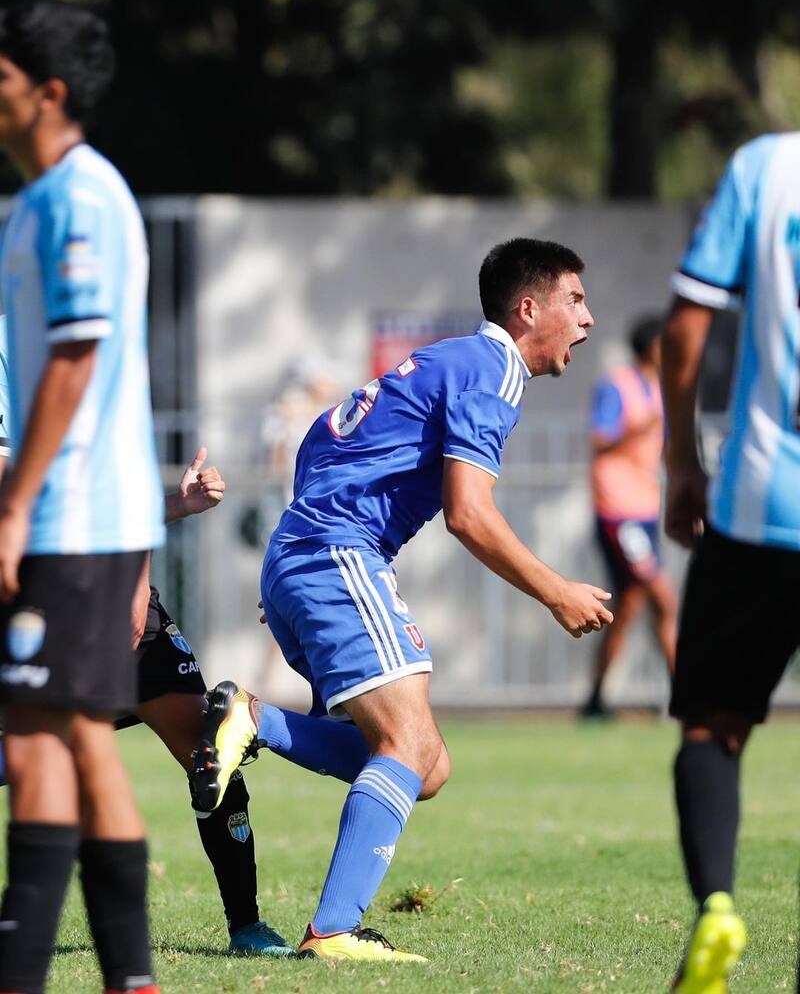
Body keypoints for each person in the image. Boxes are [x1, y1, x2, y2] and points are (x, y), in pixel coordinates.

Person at [190, 237, 614, 962]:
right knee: (408, 747)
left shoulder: (443, 360)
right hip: (335, 557)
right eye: (575, 300)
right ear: (528, 308)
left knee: (428, 766)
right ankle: (332, 932)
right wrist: (557, 592)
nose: (588, 319)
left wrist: (295, 563)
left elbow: (322, 440)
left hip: (306, 558)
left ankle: (250, 720)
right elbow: (469, 514)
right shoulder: (493, 369)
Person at [0, 2, 159, 992]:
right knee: (61, 735)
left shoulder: (79, 197)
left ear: (45, 92)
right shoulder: (37, 200)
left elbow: (74, 354)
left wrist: (14, 505)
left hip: (76, 514)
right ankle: (114, 979)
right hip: (73, 514)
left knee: (41, 734)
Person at [0, 438, 290, 957]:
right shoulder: (24, 378)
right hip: (47, 606)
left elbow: (118, 502)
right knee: (37, 755)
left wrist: (168, 519)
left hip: (128, 611)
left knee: (211, 759)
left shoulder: (98, 375)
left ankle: (246, 925)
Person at [661, 131, 800, 992]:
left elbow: (686, 322)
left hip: (762, 502)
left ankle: (716, 905)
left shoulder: (769, 167)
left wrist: (683, 461)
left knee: (713, 725)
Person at [580, 315, 677, 718]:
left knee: (632, 603)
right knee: (662, 596)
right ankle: (688, 696)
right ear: (650, 345)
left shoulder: (663, 389)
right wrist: (639, 429)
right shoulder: (617, 385)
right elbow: (600, 438)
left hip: (645, 508)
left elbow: (669, 450)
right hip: (618, 509)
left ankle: (596, 699)